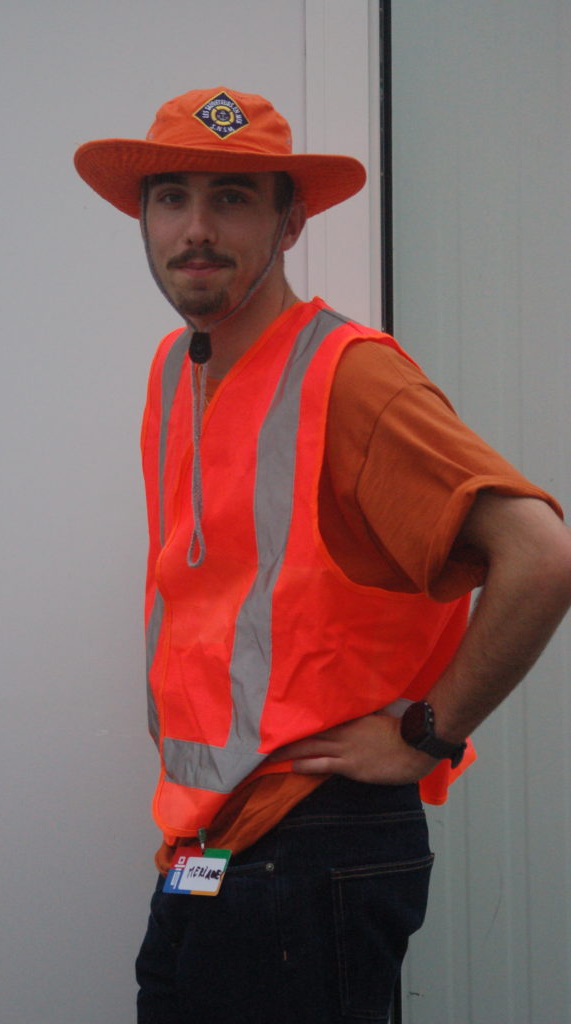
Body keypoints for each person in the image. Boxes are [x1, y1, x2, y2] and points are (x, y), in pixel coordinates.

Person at [75, 87, 571, 1023]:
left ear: (290, 221)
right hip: (210, 843)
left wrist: (425, 734)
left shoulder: (348, 375)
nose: (196, 228)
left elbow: (539, 556)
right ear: (143, 217)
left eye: (232, 198)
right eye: (172, 197)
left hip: (315, 841)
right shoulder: (177, 370)